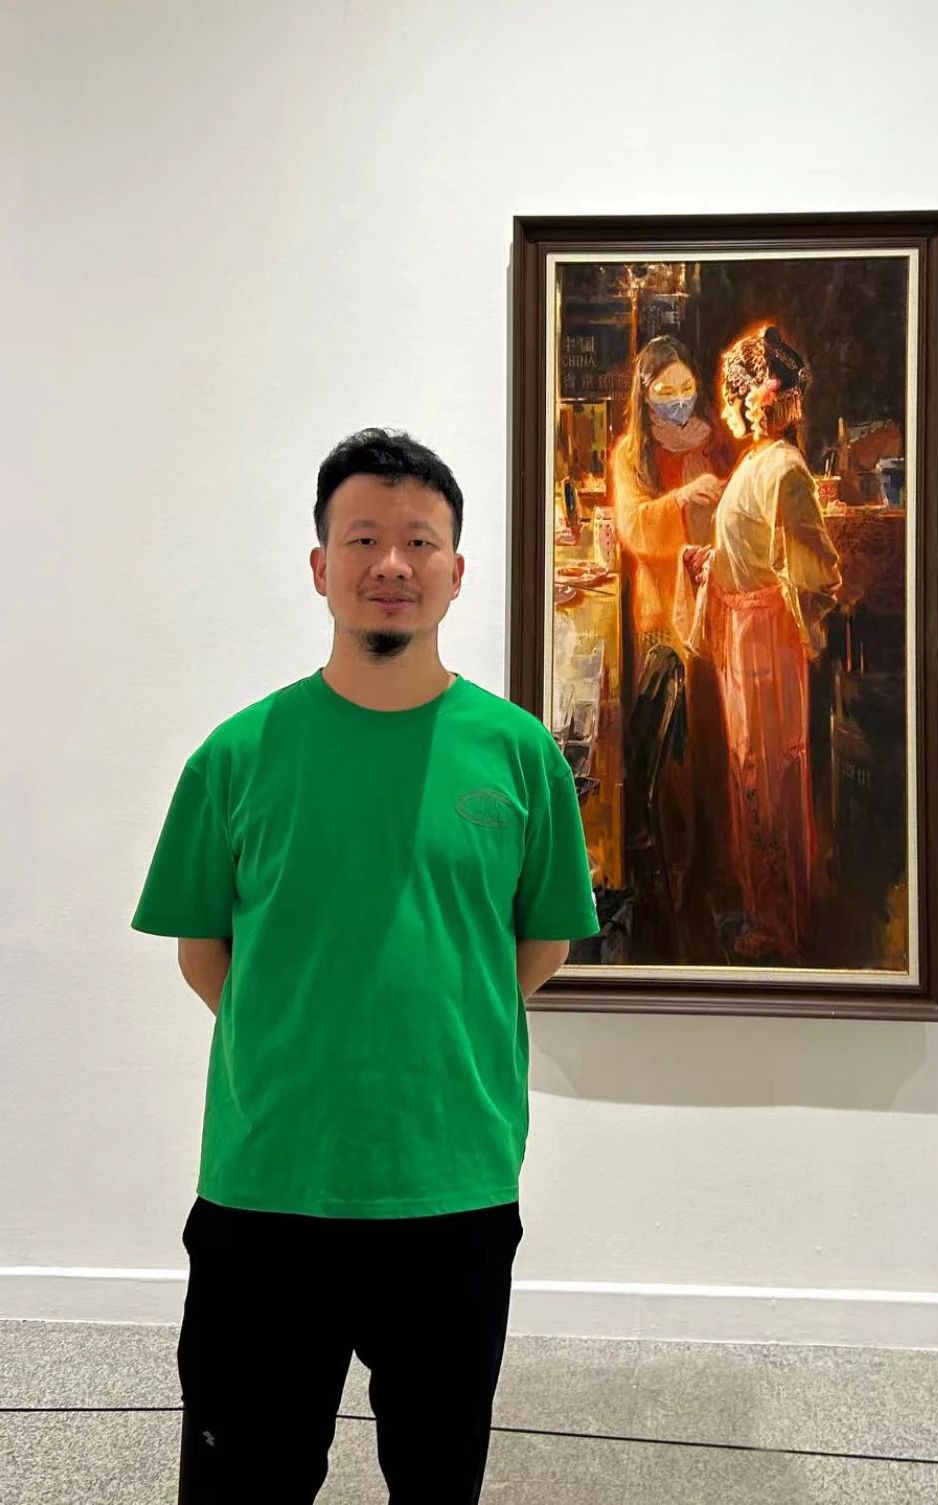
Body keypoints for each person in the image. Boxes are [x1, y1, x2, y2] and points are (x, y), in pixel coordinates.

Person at [132, 429, 600, 1504]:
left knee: (437, 1479)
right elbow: (205, 951)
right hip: (268, 1185)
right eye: (362, 538)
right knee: (245, 1480)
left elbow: (541, 942)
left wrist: (441, 1019)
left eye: (419, 540)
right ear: (319, 565)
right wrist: (299, 1029)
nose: (392, 562)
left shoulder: (519, 753)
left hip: (453, 1183)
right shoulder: (237, 754)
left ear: (456, 570)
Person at [677, 326, 840, 963]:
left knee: (772, 771)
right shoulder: (758, 462)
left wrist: (786, 603)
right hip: (747, 636)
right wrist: (711, 562)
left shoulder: (785, 471)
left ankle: (782, 924)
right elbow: (746, 547)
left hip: (767, 637)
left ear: (757, 400)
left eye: (732, 397)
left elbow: (812, 567)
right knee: (751, 768)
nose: (725, 410)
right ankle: (764, 908)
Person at [610, 337, 733, 944]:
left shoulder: (717, 441)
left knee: (716, 743)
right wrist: (681, 499)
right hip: (661, 615)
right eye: (666, 391)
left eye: (687, 388)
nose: (679, 401)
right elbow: (634, 529)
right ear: (645, 394)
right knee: (674, 748)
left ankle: (715, 875)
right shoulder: (630, 454)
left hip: (717, 605)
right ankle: (676, 881)